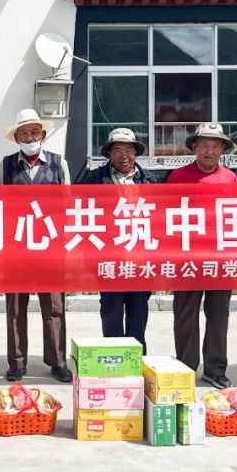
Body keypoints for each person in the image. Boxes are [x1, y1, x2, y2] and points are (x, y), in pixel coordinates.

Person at [0, 109, 73, 383]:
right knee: (16, 307)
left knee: (54, 306)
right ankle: (17, 363)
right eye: (24, 133)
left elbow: (68, 205)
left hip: (50, 248)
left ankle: (58, 361)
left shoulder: (58, 164)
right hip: (16, 248)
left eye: (34, 132)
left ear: (43, 135)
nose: (29, 137)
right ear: (17, 138)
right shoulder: (6, 166)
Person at [166, 122, 237, 389]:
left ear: (222, 149)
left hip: (220, 259)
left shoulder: (230, 178)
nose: (210, 151)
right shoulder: (178, 177)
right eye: (204, 145)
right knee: (185, 314)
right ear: (195, 147)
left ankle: (215, 369)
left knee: (219, 314)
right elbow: (165, 216)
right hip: (187, 258)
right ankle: (185, 366)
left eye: (215, 146)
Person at [77, 127, 157, 351]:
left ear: (136, 153)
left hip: (140, 257)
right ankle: (115, 356)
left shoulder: (151, 181)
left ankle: (136, 356)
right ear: (109, 154)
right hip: (108, 257)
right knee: (111, 308)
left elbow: (160, 220)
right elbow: (80, 213)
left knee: (138, 309)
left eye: (129, 150)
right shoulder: (93, 179)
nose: (124, 156)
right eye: (118, 150)